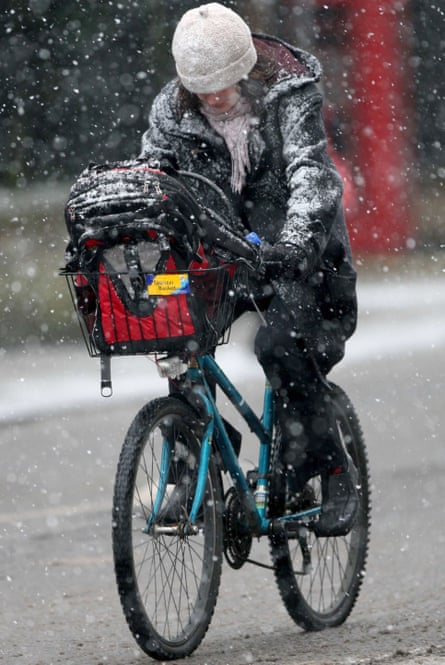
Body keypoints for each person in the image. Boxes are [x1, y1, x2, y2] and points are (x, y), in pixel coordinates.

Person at [139, 2, 359, 537]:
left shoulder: (289, 93)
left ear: (246, 67)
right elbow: (152, 179)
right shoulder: (170, 114)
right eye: (201, 86)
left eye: (224, 83)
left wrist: (295, 243)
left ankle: (330, 470)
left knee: (280, 346)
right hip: (221, 259)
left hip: (299, 256)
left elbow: (312, 174)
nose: (213, 96)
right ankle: (193, 469)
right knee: (179, 337)